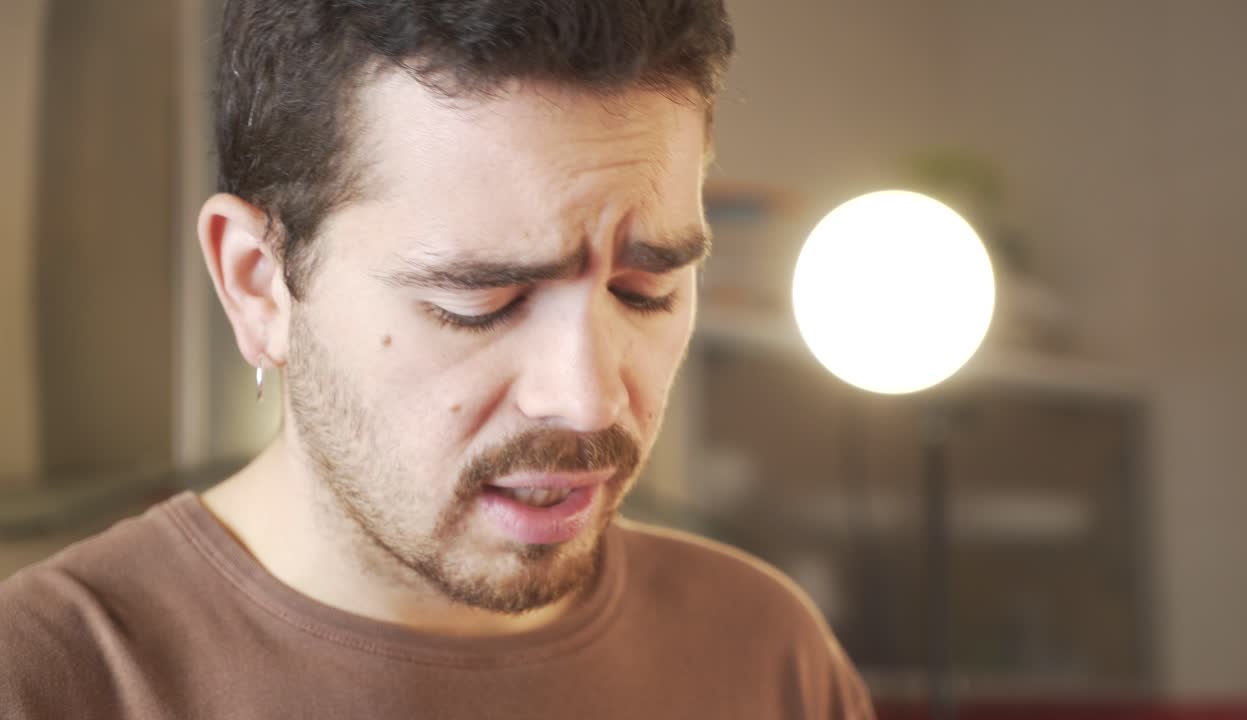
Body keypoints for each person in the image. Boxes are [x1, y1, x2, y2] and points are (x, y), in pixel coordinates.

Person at [0, 1, 874, 717]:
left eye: (644, 291)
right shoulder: (50, 680)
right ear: (258, 283)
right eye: (479, 304)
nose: (589, 400)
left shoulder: (764, 655)